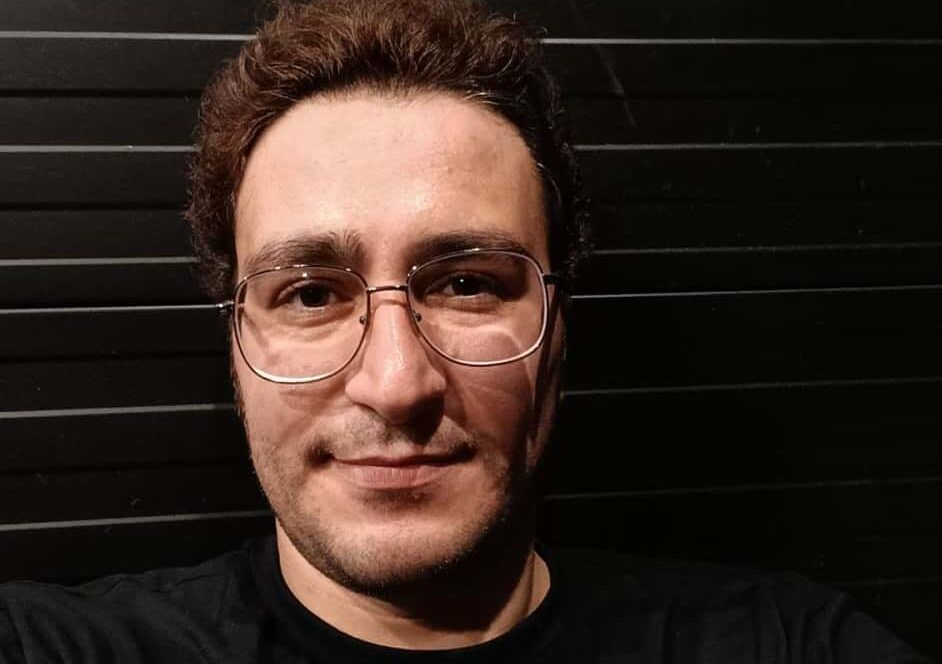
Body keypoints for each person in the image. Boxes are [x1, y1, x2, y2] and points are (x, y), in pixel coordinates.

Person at [0, 1, 933, 662]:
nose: (397, 384)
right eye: (311, 295)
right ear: (237, 348)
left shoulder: (786, 643)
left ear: (556, 332)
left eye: (468, 285)